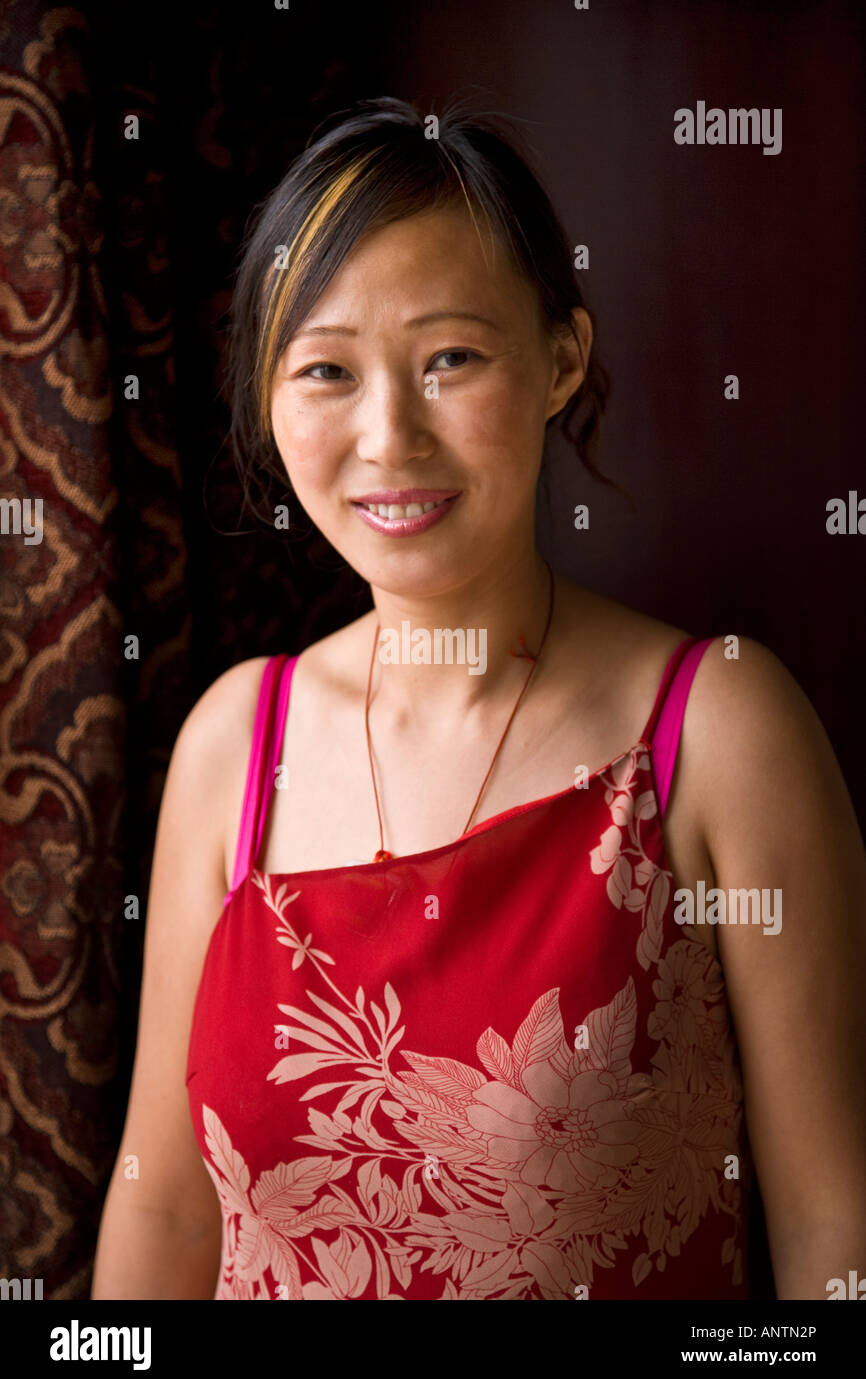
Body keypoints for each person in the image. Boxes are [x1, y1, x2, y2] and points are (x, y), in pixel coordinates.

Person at [92, 96, 866, 1300]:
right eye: (326, 371)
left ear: (559, 359)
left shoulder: (715, 726)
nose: (387, 435)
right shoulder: (235, 741)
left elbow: (830, 1225)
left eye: (449, 358)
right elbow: (165, 1213)